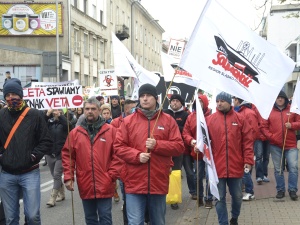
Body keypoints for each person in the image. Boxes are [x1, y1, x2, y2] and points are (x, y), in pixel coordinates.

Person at [114, 84, 184, 225]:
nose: (145, 99)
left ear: (156, 98)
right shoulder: (128, 121)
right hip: (134, 182)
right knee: (135, 222)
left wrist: (157, 145)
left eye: (148, 96)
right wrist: (137, 155)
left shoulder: (168, 120)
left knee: (158, 221)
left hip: (158, 181)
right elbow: (118, 147)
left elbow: (179, 147)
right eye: (142, 96)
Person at [0, 78, 53, 225]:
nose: (11, 98)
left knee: (32, 216)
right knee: (10, 219)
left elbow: (46, 141)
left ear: (21, 95)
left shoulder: (35, 115)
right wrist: (2, 156)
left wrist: (33, 156)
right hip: (7, 174)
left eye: (14, 94)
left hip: (29, 173)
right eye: (7, 95)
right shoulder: (1, 116)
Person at [62, 96, 121, 225]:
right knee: (90, 219)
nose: (89, 111)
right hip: (85, 182)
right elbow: (68, 156)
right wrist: (68, 177)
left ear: (99, 111)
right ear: (83, 110)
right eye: (87, 108)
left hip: (105, 183)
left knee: (105, 218)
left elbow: (118, 155)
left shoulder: (111, 131)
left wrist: (111, 175)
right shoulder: (75, 133)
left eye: (93, 109)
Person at [205, 92, 254, 225]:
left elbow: (247, 142)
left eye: (222, 101)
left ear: (229, 102)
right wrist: (197, 146)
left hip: (236, 165)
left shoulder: (240, 119)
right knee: (219, 198)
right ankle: (223, 223)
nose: (219, 103)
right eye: (217, 101)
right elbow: (203, 141)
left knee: (237, 196)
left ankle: (235, 217)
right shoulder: (210, 120)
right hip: (217, 167)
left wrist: (248, 161)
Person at [261, 90, 300, 200]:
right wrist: (272, 137)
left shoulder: (292, 110)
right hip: (275, 145)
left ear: (285, 99)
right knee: (278, 169)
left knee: (293, 168)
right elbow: (263, 127)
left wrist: (292, 125)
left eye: (282, 97)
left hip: (291, 145)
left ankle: (292, 190)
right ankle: (280, 190)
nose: (280, 99)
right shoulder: (269, 111)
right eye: (278, 97)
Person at [183, 93, 214, 209]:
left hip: (210, 152)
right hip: (196, 152)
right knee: (198, 176)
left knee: (210, 176)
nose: (199, 104)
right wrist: (192, 142)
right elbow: (185, 133)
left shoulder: (212, 116)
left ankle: (209, 198)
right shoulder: (191, 117)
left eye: (201, 102)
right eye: (197, 102)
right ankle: (200, 196)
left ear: (205, 103)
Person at [111, 99, 137, 225]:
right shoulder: (116, 123)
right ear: (127, 110)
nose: (135, 110)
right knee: (127, 198)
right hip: (123, 166)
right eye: (133, 108)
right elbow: (114, 145)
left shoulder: (139, 121)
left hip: (138, 166)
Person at [163, 93, 189, 210]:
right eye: (172, 101)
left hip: (178, 149)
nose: (174, 103)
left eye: (177, 101)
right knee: (162, 173)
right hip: (163, 148)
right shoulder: (164, 113)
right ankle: (161, 196)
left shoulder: (185, 114)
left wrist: (175, 127)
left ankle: (174, 199)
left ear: (181, 103)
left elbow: (187, 130)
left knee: (175, 173)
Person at [232, 97, 257, 201]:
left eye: (234, 100)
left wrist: (247, 144)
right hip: (238, 147)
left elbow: (254, 131)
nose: (232, 102)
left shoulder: (249, 113)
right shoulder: (236, 112)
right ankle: (245, 188)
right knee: (243, 170)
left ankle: (250, 192)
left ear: (238, 101)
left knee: (245, 170)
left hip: (246, 147)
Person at [45, 108, 69, 207]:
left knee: (56, 174)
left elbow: (69, 126)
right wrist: (47, 114)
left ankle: (52, 198)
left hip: (61, 153)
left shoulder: (64, 123)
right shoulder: (49, 123)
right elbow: (40, 126)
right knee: (54, 175)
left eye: (58, 110)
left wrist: (60, 116)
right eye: (54, 111)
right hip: (50, 153)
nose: (55, 112)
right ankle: (62, 194)